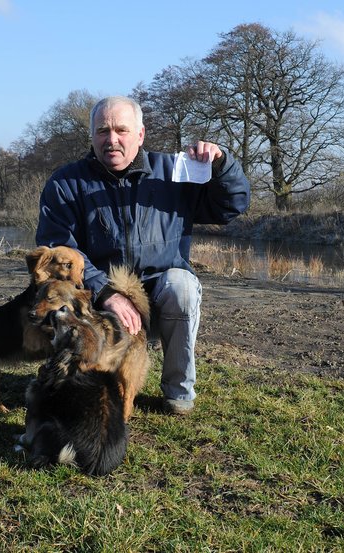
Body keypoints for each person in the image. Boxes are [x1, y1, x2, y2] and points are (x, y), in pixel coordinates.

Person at [35, 95, 250, 415]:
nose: (111, 140)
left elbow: (231, 206)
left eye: (121, 130)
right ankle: (76, 381)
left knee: (183, 286)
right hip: (97, 296)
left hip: (158, 299)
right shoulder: (66, 183)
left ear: (140, 134)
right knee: (57, 294)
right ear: (92, 136)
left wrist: (222, 164)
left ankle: (178, 391)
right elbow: (57, 249)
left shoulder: (174, 173)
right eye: (102, 131)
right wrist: (105, 291)